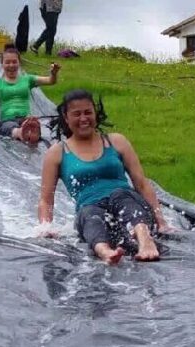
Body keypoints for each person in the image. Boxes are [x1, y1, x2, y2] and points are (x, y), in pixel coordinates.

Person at [38, 89, 171, 265]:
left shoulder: (116, 141)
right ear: (66, 117)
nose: (83, 118)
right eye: (77, 114)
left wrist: (161, 221)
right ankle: (105, 252)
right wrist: (46, 227)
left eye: (88, 112)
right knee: (88, 212)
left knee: (120, 195)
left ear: (95, 113)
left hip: (129, 207)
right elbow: (46, 200)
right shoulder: (56, 153)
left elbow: (141, 183)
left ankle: (145, 241)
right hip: (92, 211)